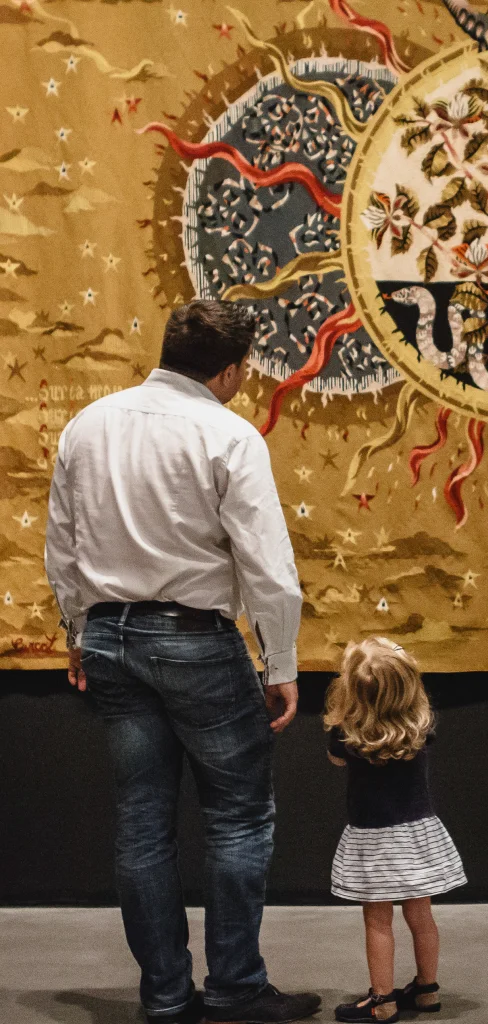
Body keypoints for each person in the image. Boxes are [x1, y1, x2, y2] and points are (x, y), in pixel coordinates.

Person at [45, 298, 321, 1024]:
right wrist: (281, 661)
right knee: (237, 818)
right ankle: (234, 987)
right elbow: (268, 562)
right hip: (194, 639)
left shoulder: (88, 424)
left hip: (108, 638)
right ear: (229, 371)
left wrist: (77, 628)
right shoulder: (227, 433)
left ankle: (166, 997)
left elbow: (62, 543)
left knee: (142, 823)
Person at [324, 638, 467, 1021]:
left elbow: (336, 761)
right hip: (417, 837)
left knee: (378, 922)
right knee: (422, 919)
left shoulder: (347, 733)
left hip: (374, 842)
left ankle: (382, 1001)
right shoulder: (420, 727)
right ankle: (426, 990)